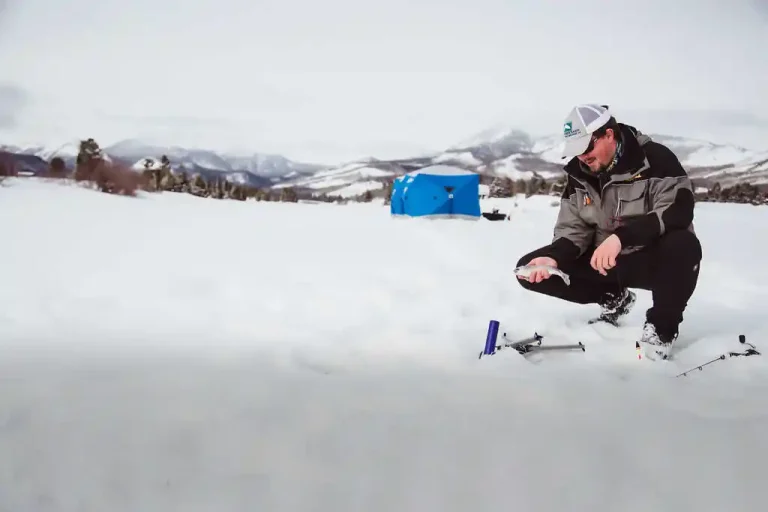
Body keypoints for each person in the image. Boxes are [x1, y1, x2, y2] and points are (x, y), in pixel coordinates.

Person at [515, 104, 702, 360]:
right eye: (576, 151)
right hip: (605, 263)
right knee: (530, 269)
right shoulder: (578, 174)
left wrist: (622, 238)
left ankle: (662, 329)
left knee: (683, 245)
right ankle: (614, 298)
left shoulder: (656, 160)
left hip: (652, 261)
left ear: (608, 134)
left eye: (586, 148)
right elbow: (573, 228)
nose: (582, 157)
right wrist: (554, 257)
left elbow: (677, 211)